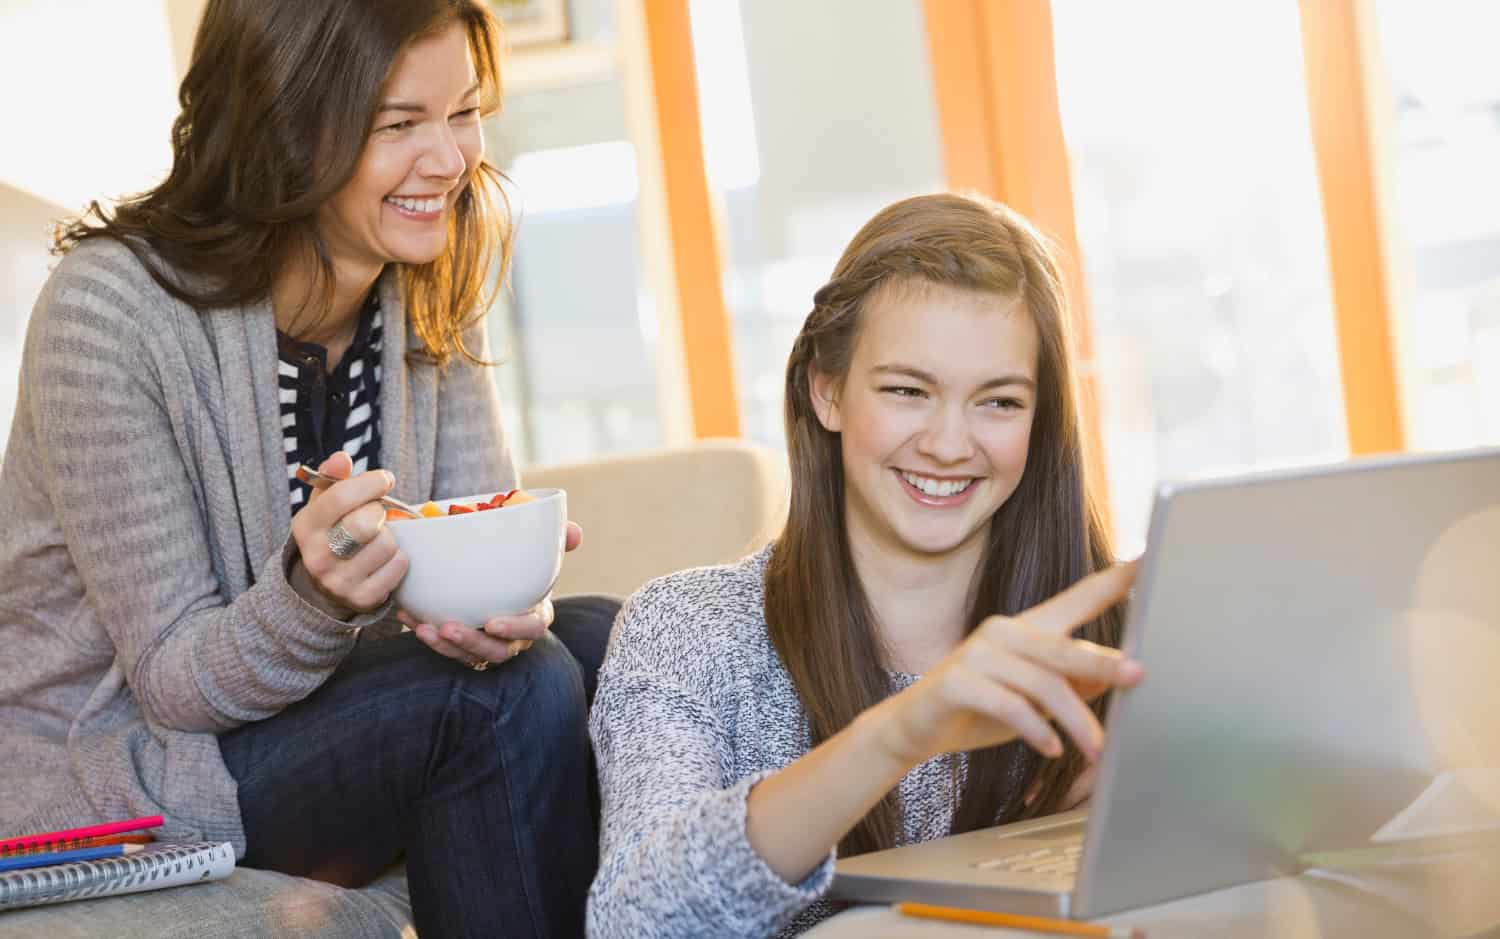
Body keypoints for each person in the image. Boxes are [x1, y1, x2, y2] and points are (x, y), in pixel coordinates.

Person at [0, 1, 616, 936]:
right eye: (400, 124)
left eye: (463, 112)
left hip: (323, 714)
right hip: (131, 765)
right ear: (284, 122)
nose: (449, 160)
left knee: (606, 641)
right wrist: (314, 600)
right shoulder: (110, 314)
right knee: (503, 695)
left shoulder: (427, 279)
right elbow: (171, 680)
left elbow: (460, 529)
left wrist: (505, 595)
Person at [586, 192, 1146, 937]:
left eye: (999, 402)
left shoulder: (1117, 637)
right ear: (827, 389)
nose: (950, 443)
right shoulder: (692, 630)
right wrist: (904, 731)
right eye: (908, 391)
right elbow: (637, 921)